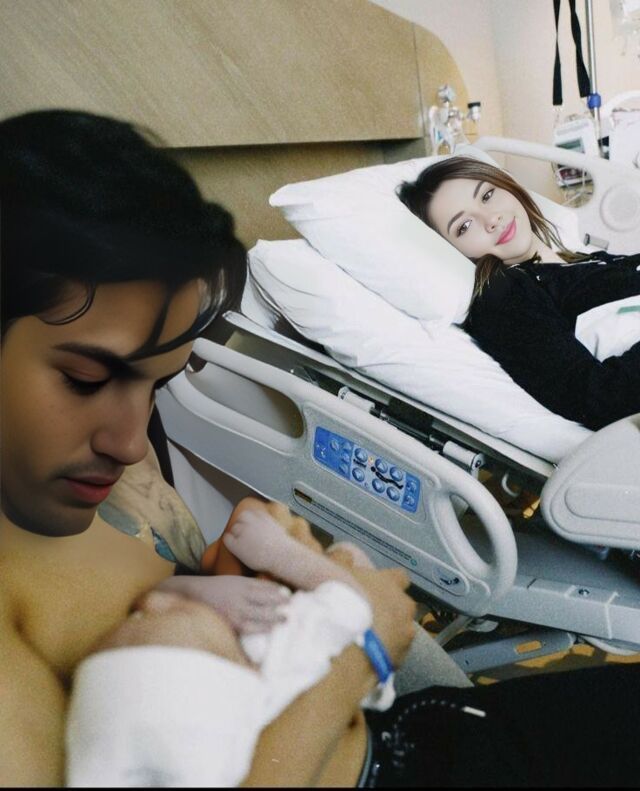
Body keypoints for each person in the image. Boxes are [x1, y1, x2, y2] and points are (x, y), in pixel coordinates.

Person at [3, 109, 640, 789]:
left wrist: (236, 570)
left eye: (156, 386)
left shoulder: (64, 497)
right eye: (85, 380)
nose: (132, 443)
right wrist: (363, 651)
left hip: (427, 727)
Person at [398, 157, 640, 431]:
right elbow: (599, 396)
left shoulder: (582, 260)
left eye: (487, 195)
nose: (491, 219)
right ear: (451, 250)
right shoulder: (505, 296)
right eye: (464, 227)